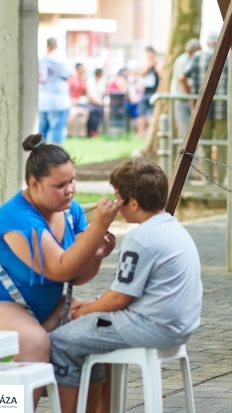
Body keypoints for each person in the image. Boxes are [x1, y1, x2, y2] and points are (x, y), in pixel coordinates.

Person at [0, 134, 119, 367]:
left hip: (40, 308)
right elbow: (59, 269)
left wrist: (96, 253)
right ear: (35, 184)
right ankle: (26, 392)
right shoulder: (17, 216)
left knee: (100, 327)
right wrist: (99, 226)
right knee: (34, 341)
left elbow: (77, 276)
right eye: (60, 185)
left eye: (72, 181)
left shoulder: (72, 211)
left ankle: (77, 392)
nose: (70, 190)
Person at [50, 159, 202, 413]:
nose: (116, 203)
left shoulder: (140, 237)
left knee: (61, 339)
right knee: (91, 329)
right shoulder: (172, 227)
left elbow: (118, 299)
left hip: (152, 327)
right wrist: (94, 307)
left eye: (118, 197)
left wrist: (85, 310)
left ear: (133, 203)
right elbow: (125, 294)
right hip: (177, 326)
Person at [184, 31, 228, 182]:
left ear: (208, 43)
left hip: (203, 109)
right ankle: (221, 182)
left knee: (204, 146)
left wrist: (192, 98)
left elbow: (183, 76)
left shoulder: (197, 57)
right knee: (222, 146)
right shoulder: (228, 57)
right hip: (223, 109)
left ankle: (207, 184)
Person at [38, 38, 72, 145]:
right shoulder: (59, 62)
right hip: (57, 101)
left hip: (42, 100)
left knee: (42, 132)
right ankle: (55, 155)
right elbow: (69, 73)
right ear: (56, 46)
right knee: (56, 131)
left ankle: (39, 154)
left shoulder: (40, 61)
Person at [172, 38, 202, 137]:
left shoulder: (190, 60)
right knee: (184, 129)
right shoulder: (183, 61)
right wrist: (190, 98)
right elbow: (182, 80)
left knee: (192, 129)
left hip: (187, 98)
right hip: (182, 98)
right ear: (189, 51)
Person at [135, 48, 160, 136]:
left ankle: (151, 132)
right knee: (141, 112)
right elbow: (142, 73)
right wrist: (150, 64)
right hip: (145, 92)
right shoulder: (147, 64)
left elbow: (161, 75)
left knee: (153, 114)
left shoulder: (158, 64)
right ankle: (141, 132)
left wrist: (156, 64)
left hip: (155, 92)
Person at [67, 63, 89, 138]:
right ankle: (69, 134)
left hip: (79, 102)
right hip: (71, 102)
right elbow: (67, 90)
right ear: (78, 69)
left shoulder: (83, 80)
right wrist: (71, 100)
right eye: (82, 68)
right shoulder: (72, 79)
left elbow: (84, 92)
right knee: (72, 114)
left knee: (85, 113)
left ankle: (81, 134)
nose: (84, 69)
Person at [85, 68, 105, 138]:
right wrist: (99, 102)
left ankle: (95, 131)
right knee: (93, 111)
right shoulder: (90, 82)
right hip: (91, 103)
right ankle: (90, 131)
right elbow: (90, 96)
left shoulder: (101, 82)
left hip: (99, 103)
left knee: (100, 111)